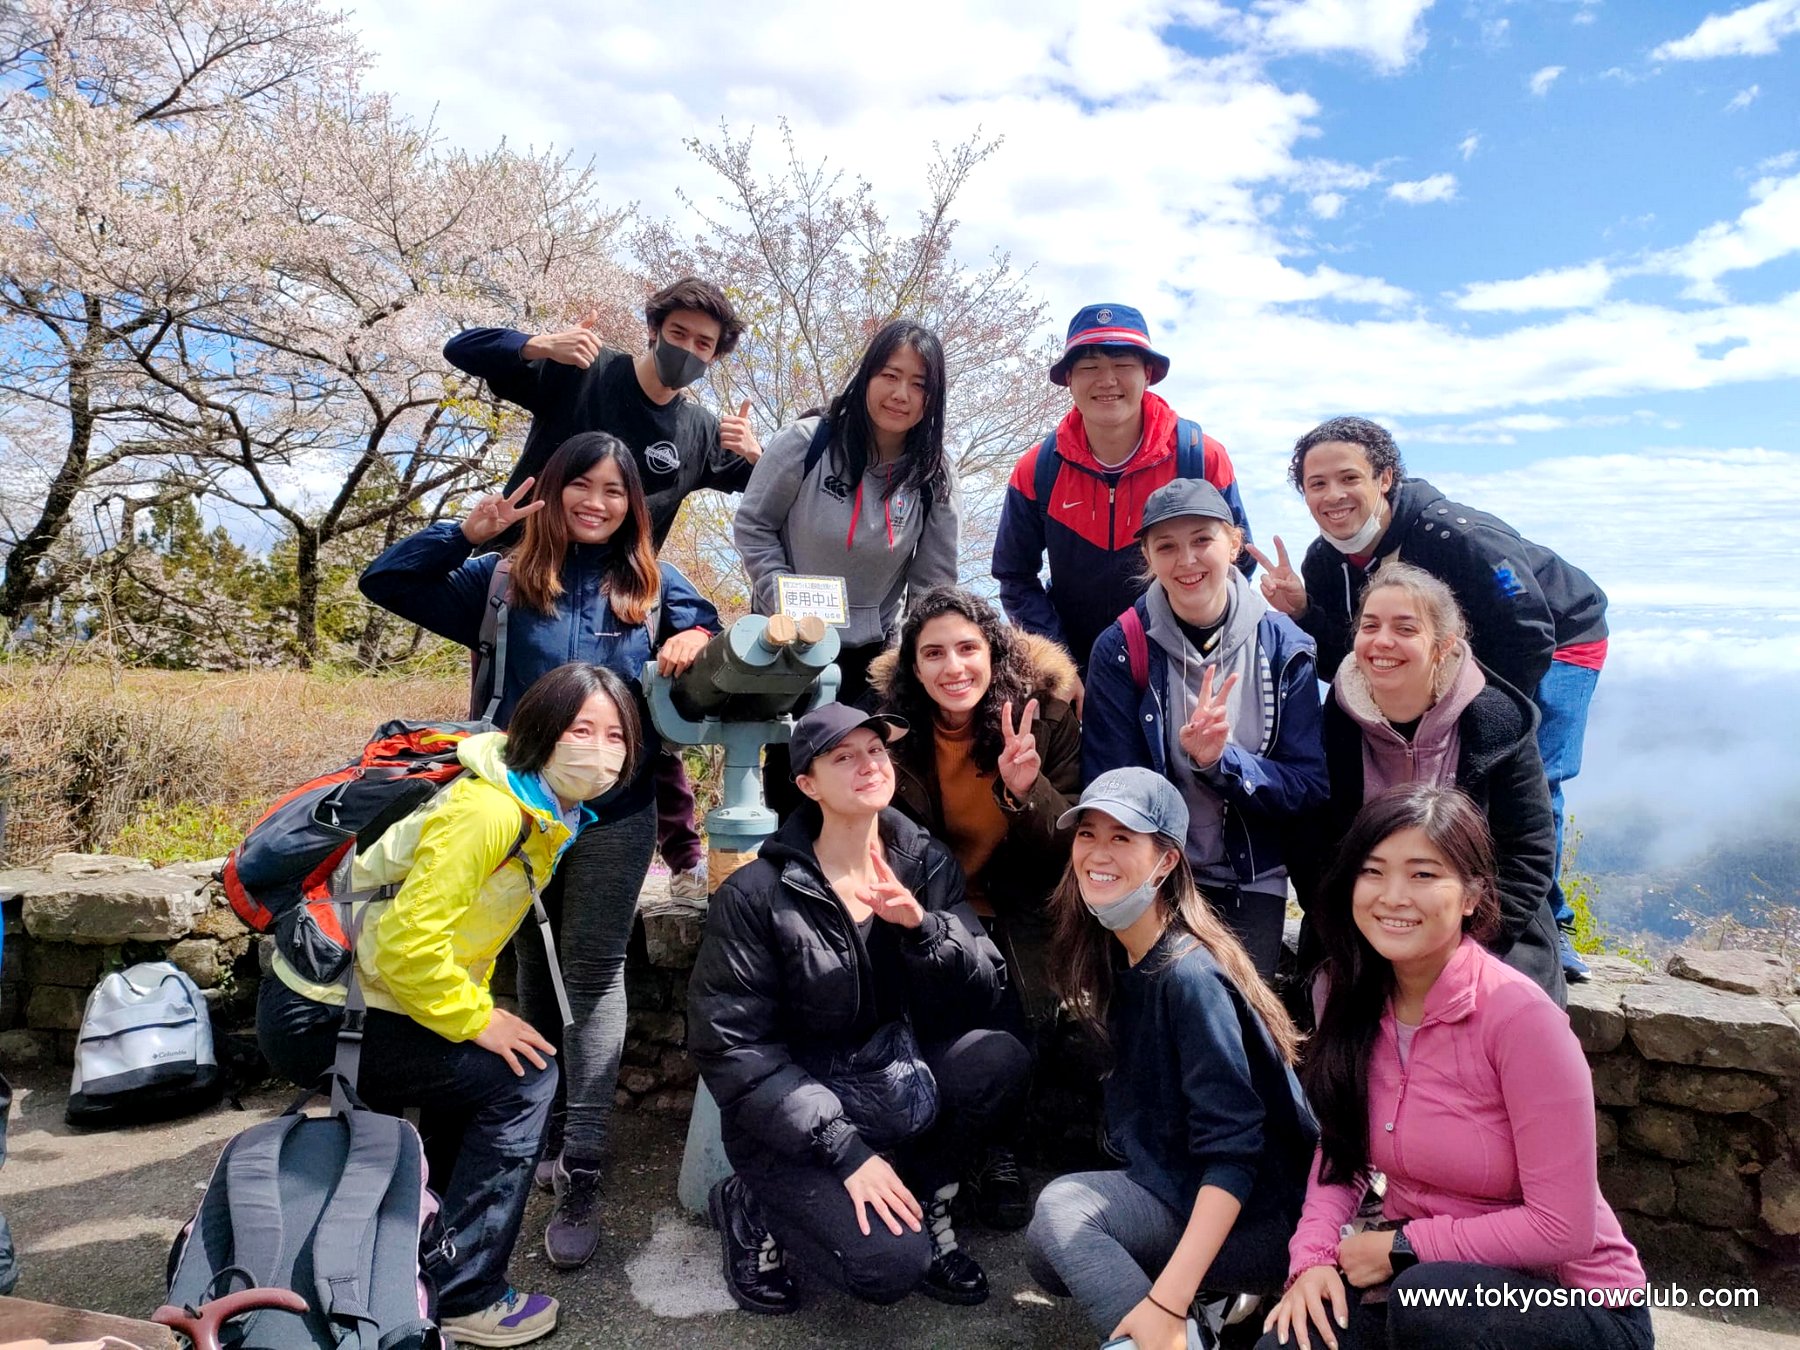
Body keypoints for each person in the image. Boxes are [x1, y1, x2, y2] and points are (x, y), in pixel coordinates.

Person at [359, 431, 719, 1270]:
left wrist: (694, 638)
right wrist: (465, 531)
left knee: (591, 975)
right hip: (513, 812)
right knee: (524, 963)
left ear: (636, 505)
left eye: (616, 491)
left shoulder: (658, 584)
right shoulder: (502, 580)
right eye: (580, 487)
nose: (597, 503)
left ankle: (582, 1159)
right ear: (552, 492)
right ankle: (532, 1122)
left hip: (617, 813)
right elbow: (385, 581)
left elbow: (711, 643)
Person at [257, 662, 639, 1347]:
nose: (601, 750)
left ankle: (419, 1256)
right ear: (541, 732)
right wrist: (477, 1017)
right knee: (525, 1079)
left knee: (477, 1079)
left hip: (359, 997)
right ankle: (467, 1296)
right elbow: (405, 947)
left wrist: (468, 1016)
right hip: (325, 1011)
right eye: (582, 729)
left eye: (616, 736)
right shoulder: (491, 810)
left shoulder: (540, 809)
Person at [1258, 785, 1651, 1350]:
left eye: (1423, 875)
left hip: (1576, 1309)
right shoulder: (1348, 998)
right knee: (1294, 1339)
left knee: (1432, 1305)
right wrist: (1313, 1261)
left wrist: (1404, 1246)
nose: (1393, 896)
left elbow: (1562, 1227)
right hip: (1420, 1282)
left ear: (1471, 896)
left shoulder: (1520, 1020)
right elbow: (1340, 1154)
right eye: (1374, 872)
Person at [688, 704, 1032, 1315]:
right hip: (793, 1117)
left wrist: (923, 929)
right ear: (807, 785)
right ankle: (750, 1204)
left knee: (998, 1059)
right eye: (843, 756)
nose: (868, 764)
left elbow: (984, 990)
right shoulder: (758, 893)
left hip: (890, 1078)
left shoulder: (924, 863)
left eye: (875, 750)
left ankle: (924, 1194)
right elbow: (734, 1048)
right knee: (889, 1265)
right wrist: (845, 1150)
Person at [1251, 415, 1607, 981]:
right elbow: (1347, 656)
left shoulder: (1455, 535)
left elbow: (1527, 629)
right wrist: (1300, 613)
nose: (1332, 495)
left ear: (1385, 477)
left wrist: (1481, 711)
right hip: (1435, 664)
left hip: (1559, 639)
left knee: (1534, 774)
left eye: (1348, 478)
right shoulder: (1325, 561)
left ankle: (1548, 924)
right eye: (1316, 484)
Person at [445, 276, 760, 905]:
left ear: (716, 356)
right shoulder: (585, 372)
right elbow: (462, 348)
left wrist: (758, 457)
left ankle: (683, 856)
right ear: (652, 329)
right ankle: (500, 841)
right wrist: (536, 344)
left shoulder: (697, 429)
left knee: (635, 718)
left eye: (705, 344)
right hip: (529, 578)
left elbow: (768, 494)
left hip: (623, 596)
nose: (688, 351)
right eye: (678, 335)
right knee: (516, 712)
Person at [1027, 769, 1317, 1350]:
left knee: (1065, 1211)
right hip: (1182, 1185)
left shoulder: (1189, 973)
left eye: (1122, 837)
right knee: (1045, 1252)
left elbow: (1236, 1154)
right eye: (1087, 834)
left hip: (1262, 1218)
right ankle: (1204, 1311)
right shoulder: (1122, 953)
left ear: (1165, 863)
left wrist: (1165, 1300)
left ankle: (1171, 1334)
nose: (1097, 853)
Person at [867, 584, 1082, 1229]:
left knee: (1017, 1024)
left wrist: (1026, 791)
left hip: (1016, 907)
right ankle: (927, 1145)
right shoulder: (889, 731)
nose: (953, 667)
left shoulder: (1045, 720)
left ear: (995, 654)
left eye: (968, 648)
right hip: (922, 903)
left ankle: (1001, 1148)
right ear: (912, 665)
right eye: (933, 653)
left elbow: (1064, 851)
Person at [1082, 479, 1328, 978]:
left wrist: (1221, 762)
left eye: (1202, 540)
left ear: (1234, 544)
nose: (1187, 560)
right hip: (1154, 876)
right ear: (1148, 557)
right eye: (1166, 546)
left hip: (1251, 874)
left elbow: (1309, 785)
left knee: (1239, 1024)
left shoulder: (1287, 648)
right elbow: (1109, 785)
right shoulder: (1121, 648)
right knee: (1157, 1016)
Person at [1304, 562, 1564, 1004]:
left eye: (1405, 628)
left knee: (1507, 1011)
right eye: (1370, 625)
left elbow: (1530, 849)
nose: (1383, 641)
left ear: (1442, 646)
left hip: (1486, 928)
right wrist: (1366, 933)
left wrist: (1466, 945)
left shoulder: (1494, 723)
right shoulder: (1334, 726)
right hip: (1365, 926)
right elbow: (1312, 847)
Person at [735, 319, 961, 811]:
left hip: (872, 657)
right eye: (889, 374)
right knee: (794, 779)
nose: (901, 393)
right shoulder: (805, 442)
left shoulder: (932, 473)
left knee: (862, 781)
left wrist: (903, 658)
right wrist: (783, 600)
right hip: (786, 644)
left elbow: (933, 582)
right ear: (866, 376)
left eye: (919, 384)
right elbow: (754, 525)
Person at [991, 302, 1252, 685]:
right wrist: (1055, 661)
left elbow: (1236, 560)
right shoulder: (1038, 468)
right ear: (1069, 379)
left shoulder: (1199, 457)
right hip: (1073, 669)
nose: (1107, 380)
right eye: (1090, 367)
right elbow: (1014, 575)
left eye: (1123, 365)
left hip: (1178, 666)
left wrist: (1188, 647)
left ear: (1148, 373)